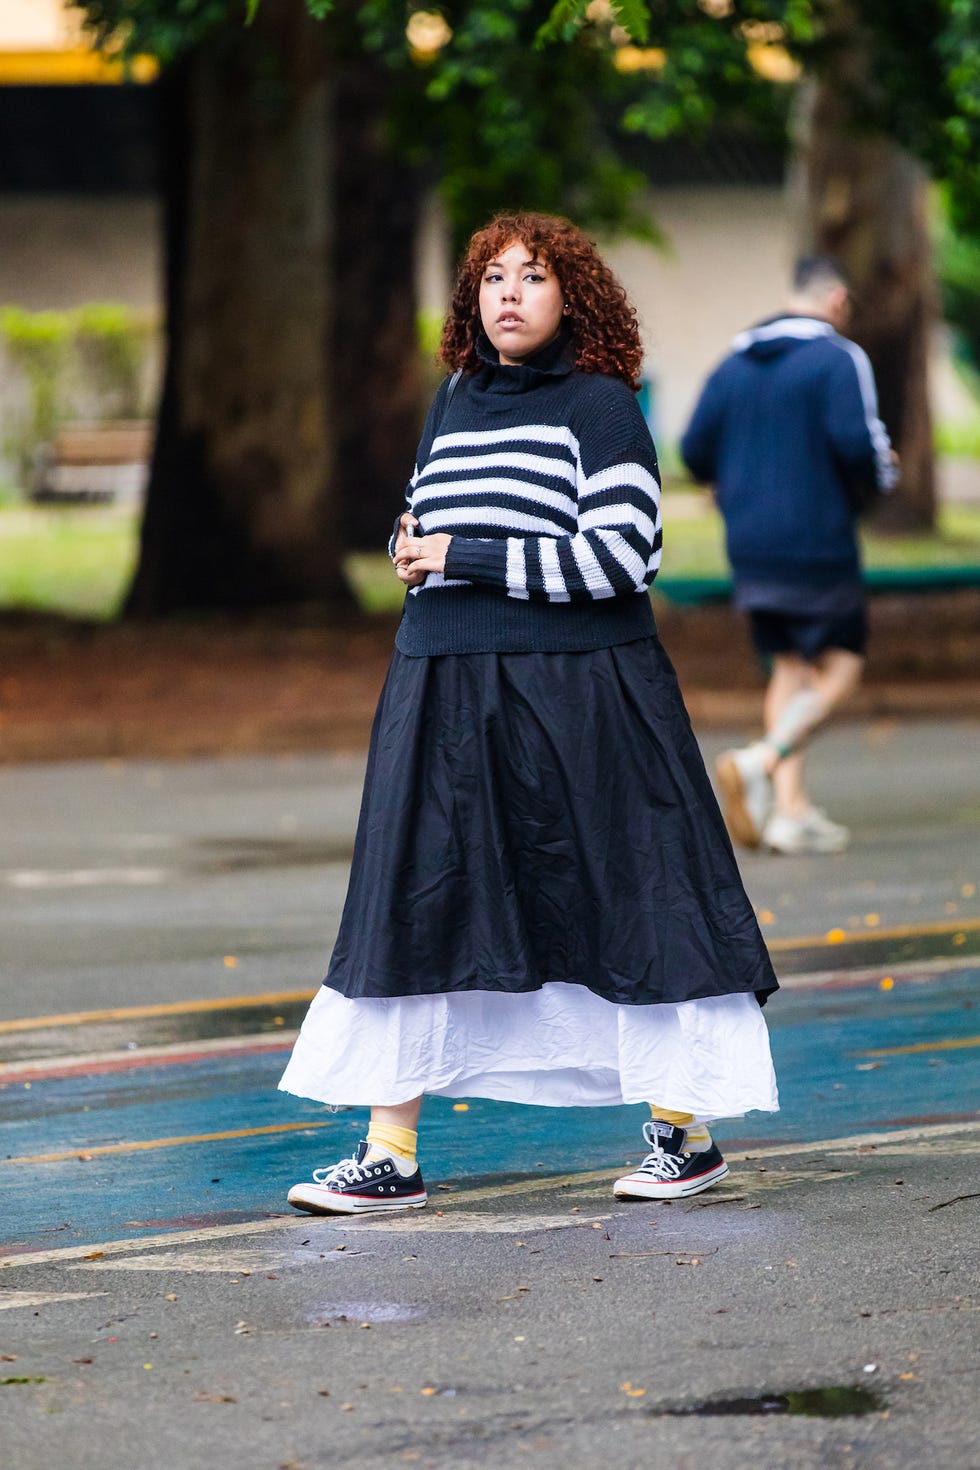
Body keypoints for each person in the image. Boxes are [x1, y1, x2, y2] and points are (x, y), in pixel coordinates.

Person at [279, 212, 778, 1215]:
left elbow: (619, 561)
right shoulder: (451, 399)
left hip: (584, 697)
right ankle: (389, 1151)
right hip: (445, 691)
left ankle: (684, 1133)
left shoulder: (599, 408)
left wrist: (461, 553)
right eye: (491, 277)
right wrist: (412, 543)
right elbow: (426, 523)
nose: (506, 293)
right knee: (416, 903)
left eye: (532, 277)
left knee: (630, 899)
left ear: (571, 298)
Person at [681, 256, 898, 855]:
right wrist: (883, 475)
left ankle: (789, 809)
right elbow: (860, 445)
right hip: (817, 539)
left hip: (749, 543)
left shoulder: (733, 364)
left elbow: (695, 447)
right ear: (836, 299)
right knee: (845, 663)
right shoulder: (837, 358)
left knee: (789, 666)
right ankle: (762, 759)